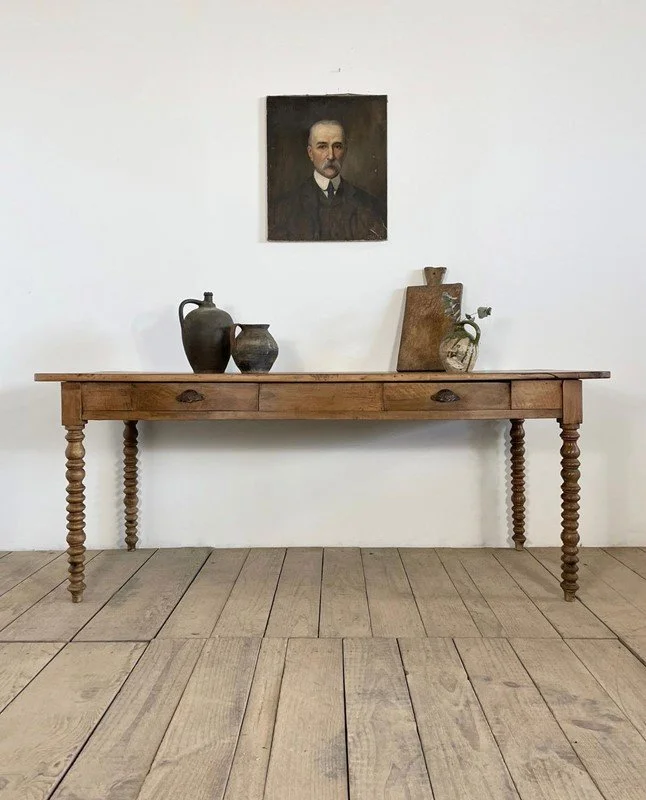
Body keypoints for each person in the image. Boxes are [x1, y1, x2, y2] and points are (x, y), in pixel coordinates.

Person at [269, 119, 387, 241]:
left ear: (345, 151)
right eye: (322, 146)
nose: (331, 156)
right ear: (310, 153)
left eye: (337, 146)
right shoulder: (282, 209)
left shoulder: (371, 206)